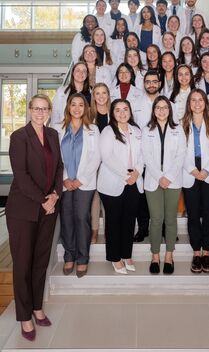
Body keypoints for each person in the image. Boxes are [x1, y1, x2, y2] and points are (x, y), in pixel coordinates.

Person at [6, 94, 63, 341]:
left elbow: (59, 167)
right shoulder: (19, 137)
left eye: (44, 108)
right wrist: (43, 200)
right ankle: (24, 316)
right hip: (24, 210)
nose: (40, 112)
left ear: (50, 111)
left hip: (48, 208)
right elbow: (21, 175)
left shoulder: (52, 135)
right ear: (30, 110)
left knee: (41, 261)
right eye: (36, 108)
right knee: (23, 264)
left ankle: (37, 307)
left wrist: (55, 196)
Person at [54, 93, 101, 278]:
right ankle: (69, 255)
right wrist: (65, 178)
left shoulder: (93, 129)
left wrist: (80, 179)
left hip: (85, 182)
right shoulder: (57, 128)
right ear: (68, 107)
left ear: (86, 108)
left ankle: (83, 258)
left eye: (81, 104)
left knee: (81, 218)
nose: (77, 108)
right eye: (73, 104)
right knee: (66, 218)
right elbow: (55, 156)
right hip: (64, 182)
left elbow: (96, 157)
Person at [97, 99, 144, 274]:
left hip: (134, 181)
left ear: (130, 112)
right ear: (112, 113)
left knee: (129, 221)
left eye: (125, 109)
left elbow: (143, 155)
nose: (122, 113)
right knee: (114, 221)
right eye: (118, 110)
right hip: (112, 182)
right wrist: (126, 175)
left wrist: (137, 173)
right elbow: (107, 157)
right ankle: (114, 258)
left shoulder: (137, 131)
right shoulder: (108, 131)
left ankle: (126, 254)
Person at [182, 89, 209, 273]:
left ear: (205, 103)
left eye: (200, 100)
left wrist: (207, 170)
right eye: (193, 100)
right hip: (189, 171)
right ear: (189, 103)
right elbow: (178, 150)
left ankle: (206, 252)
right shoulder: (181, 123)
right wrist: (192, 169)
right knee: (193, 215)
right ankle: (196, 253)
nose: (197, 103)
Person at [142, 96, 186, 274]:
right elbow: (146, 155)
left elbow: (181, 155)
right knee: (156, 219)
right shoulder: (147, 130)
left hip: (173, 180)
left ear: (170, 110)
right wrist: (160, 176)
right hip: (153, 179)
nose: (161, 110)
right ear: (153, 110)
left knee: (170, 219)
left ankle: (169, 256)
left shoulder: (178, 129)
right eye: (158, 107)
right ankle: (155, 256)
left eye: (165, 107)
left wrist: (168, 176)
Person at [89, 83, 111, 244]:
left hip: (111, 162)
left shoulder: (115, 112)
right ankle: (95, 231)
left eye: (104, 93)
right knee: (95, 198)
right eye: (97, 93)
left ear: (108, 95)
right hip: (94, 162)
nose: (101, 96)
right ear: (93, 96)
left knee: (109, 196)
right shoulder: (88, 115)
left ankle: (109, 230)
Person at [51, 62, 91, 126]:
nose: (81, 73)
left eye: (84, 71)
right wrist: (55, 131)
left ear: (87, 75)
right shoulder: (62, 91)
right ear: (72, 73)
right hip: (65, 128)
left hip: (86, 129)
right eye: (78, 70)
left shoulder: (91, 92)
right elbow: (55, 113)